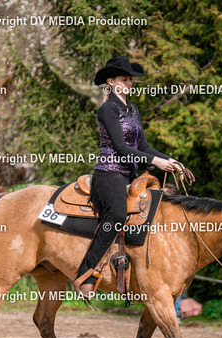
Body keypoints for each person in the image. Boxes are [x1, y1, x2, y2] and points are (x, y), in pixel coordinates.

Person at [73, 56, 187, 298]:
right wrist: (155, 162)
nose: (129, 83)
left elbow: (143, 147)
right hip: (108, 172)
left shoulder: (132, 109)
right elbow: (121, 148)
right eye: (124, 79)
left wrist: (169, 160)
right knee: (116, 214)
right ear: (110, 82)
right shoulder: (107, 109)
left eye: (130, 80)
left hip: (130, 174)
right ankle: (86, 274)